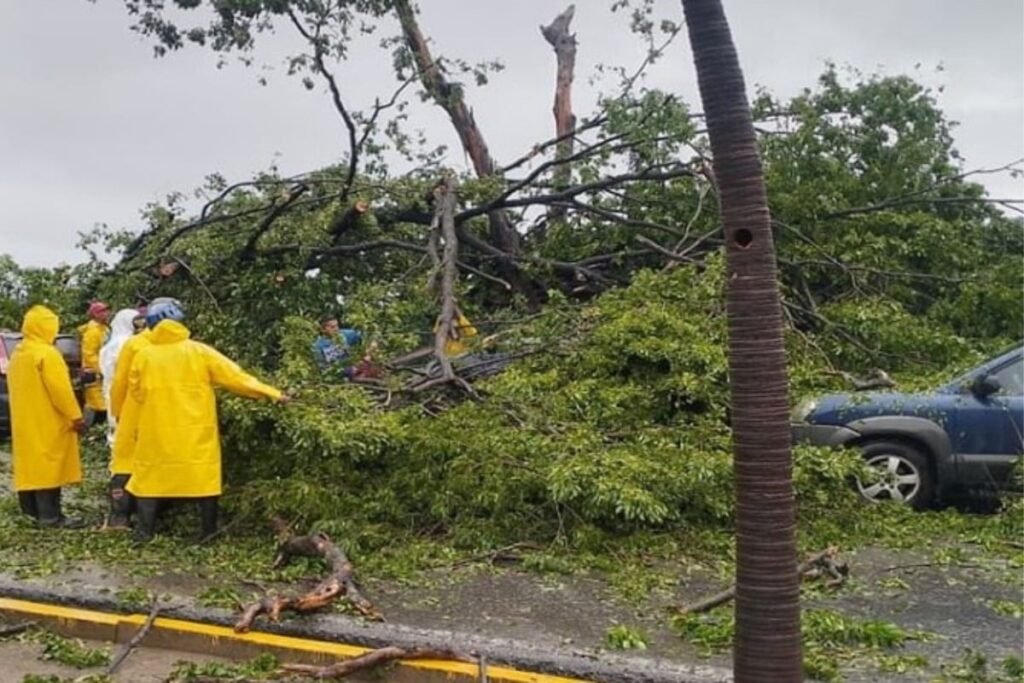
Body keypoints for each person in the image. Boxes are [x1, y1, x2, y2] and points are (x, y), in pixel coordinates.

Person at [126, 299, 288, 543]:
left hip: (155, 429)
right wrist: (273, 393)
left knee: (149, 478)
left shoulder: (144, 355)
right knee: (203, 479)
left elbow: (136, 391)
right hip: (195, 429)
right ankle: (208, 533)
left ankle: (144, 532)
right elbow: (236, 378)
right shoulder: (199, 351)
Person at [8, 305, 87, 528]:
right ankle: (51, 517)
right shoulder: (47, 354)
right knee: (49, 468)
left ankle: (31, 513)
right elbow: (61, 391)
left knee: (30, 467)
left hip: (24, 423)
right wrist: (76, 417)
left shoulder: (19, 354)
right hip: (48, 421)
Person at [98, 308, 144, 528]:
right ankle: (126, 511)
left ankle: (119, 513)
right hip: (129, 404)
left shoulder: (108, 346)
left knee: (117, 451)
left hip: (112, 402)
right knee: (131, 456)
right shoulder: (131, 345)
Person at [79, 301, 111, 426]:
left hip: (101, 373)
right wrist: (101, 369)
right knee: (97, 406)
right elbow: (89, 354)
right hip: (94, 374)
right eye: (103, 311)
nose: (107, 313)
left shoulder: (104, 329)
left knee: (103, 404)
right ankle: (90, 431)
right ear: (96, 314)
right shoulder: (92, 331)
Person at [311, 313, 364, 378]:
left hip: (355, 370)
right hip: (337, 375)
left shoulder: (346, 334)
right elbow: (323, 368)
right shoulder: (318, 346)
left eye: (337, 326)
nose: (336, 329)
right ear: (323, 329)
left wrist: (368, 354)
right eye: (332, 327)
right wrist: (345, 371)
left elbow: (366, 335)